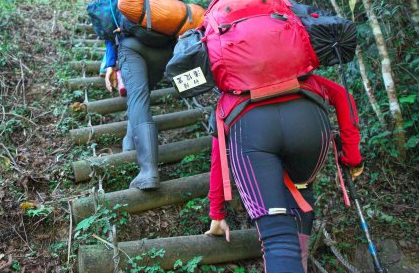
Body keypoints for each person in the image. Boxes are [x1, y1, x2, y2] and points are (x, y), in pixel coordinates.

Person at [204, 74, 364, 273]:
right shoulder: (301, 75)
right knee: (301, 187)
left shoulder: (232, 91)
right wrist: (353, 157)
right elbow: (343, 95)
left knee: (278, 240)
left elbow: (218, 155)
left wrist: (217, 213)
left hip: (250, 127)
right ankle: (301, 260)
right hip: (308, 124)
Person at [104, 33, 174, 190]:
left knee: (137, 98)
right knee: (141, 97)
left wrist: (110, 64)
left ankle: (148, 172)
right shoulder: (157, 7)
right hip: (165, 49)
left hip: (132, 47)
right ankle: (129, 144)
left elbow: (108, 30)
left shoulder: (122, 6)